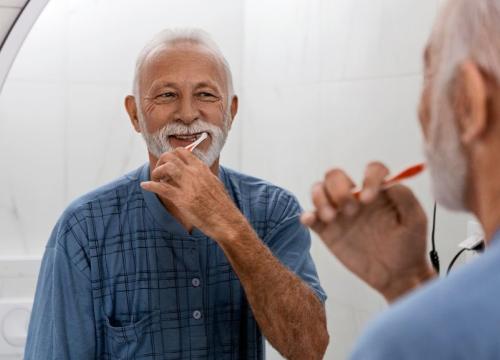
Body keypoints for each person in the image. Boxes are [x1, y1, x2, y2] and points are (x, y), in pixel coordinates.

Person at [25, 28, 329, 359]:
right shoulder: (83, 229)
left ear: (231, 112)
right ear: (135, 115)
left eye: (206, 95)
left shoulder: (275, 210)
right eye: (167, 95)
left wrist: (229, 226)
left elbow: (309, 348)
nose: (187, 114)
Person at [302, 0, 500, 358]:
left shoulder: (400, 344)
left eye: (429, 74)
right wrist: (409, 284)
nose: (421, 112)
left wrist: (421, 327)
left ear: (470, 103)